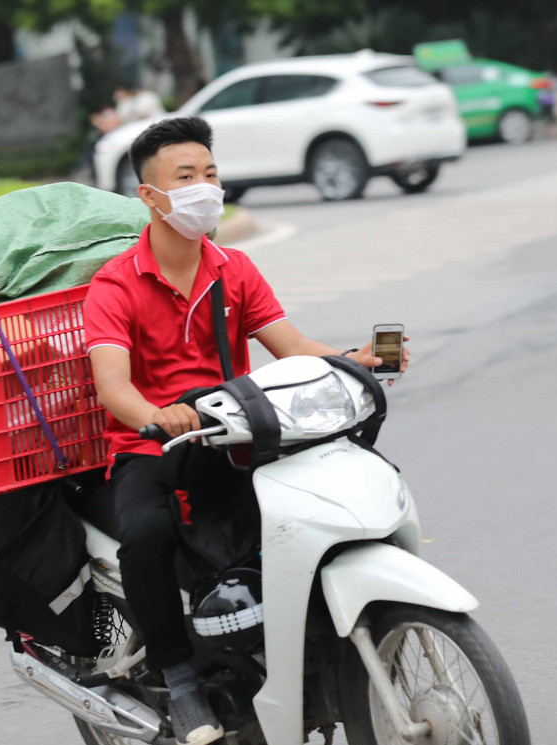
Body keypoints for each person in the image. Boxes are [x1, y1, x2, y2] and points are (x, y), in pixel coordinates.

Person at [83, 116, 409, 745]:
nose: (205, 188)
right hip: (157, 443)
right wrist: (157, 414)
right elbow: (113, 387)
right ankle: (181, 684)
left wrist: (355, 359)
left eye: (210, 174)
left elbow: (292, 348)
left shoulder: (233, 268)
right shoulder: (115, 285)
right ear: (150, 197)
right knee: (146, 535)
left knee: (298, 512)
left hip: (233, 432)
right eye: (186, 178)